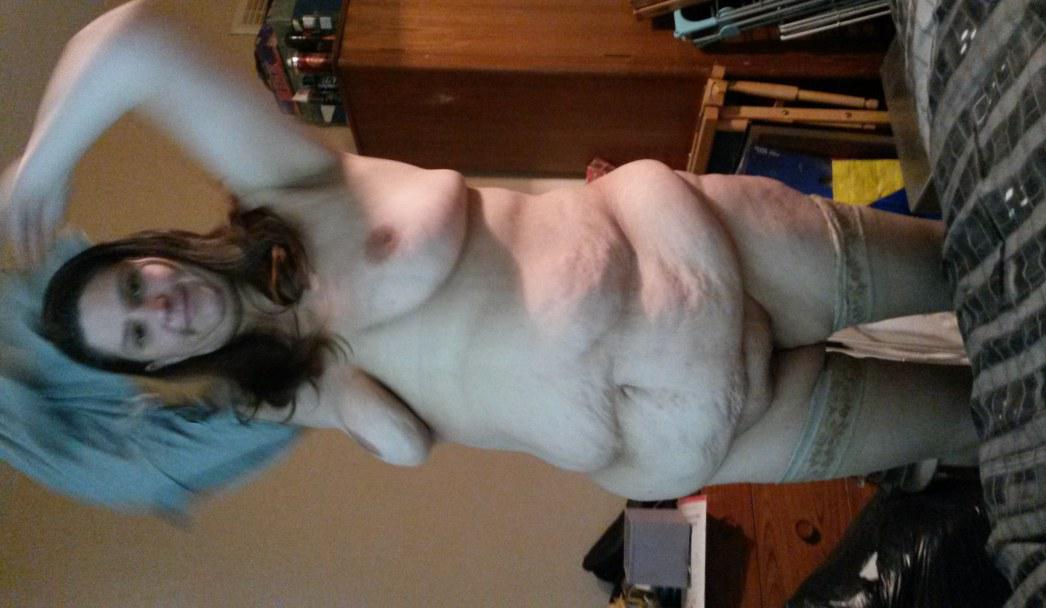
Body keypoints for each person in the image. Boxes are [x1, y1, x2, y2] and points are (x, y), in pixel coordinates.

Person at [1, 0, 977, 501]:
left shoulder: (286, 194)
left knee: (979, 262)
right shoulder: (285, 387)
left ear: (151, 252)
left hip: (712, 260)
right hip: (714, 432)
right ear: (156, 363)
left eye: (135, 283)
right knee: (986, 420)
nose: (160, 307)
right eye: (138, 334)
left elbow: (133, 41)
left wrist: (42, 162)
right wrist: (317, 388)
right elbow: (403, 441)